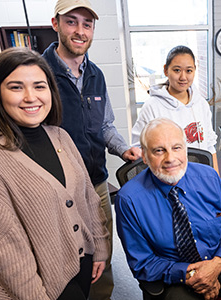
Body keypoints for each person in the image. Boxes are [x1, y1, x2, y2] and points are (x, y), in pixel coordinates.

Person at [0, 47, 109, 299]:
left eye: (39, 86)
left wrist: (98, 247)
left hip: (82, 263)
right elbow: (5, 248)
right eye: (15, 87)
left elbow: (88, 198)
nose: (30, 97)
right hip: (42, 285)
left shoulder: (60, 137)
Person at [116, 117, 221, 300]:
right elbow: (142, 263)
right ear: (145, 156)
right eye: (159, 151)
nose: (170, 158)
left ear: (185, 149)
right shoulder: (129, 199)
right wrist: (193, 274)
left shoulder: (209, 177)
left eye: (177, 148)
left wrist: (216, 265)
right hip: (175, 276)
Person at [42, 1, 141, 298]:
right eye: (71, 22)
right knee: (64, 258)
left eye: (87, 24)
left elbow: (105, 126)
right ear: (55, 24)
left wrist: (125, 150)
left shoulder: (96, 75)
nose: (80, 31)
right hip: (58, 188)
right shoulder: (39, 73)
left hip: (96, 183)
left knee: (102, 254)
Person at [130, 45, 221, 194]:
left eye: (189, 71)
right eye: (177, 70)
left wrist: (217, 184)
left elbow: (210, 146)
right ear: (166, 70)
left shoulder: (201, 104)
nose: (183, 77)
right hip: (168, 185)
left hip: (200, 181)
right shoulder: (152, 106)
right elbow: (139, 151)